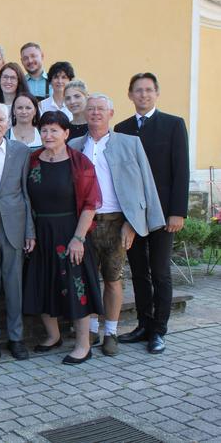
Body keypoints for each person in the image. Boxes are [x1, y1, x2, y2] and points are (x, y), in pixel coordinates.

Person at [68, 94, 165, 356]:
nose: (96, 113)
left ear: (111, 113)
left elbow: (145, 185)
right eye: (91, 109)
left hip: (116, 223)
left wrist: (132, 223)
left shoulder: (130, 143)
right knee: (87, 280)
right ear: (85, 114)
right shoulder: (75, 146)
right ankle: (90, 328)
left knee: (113, 279)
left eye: (101, 109)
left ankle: (110, 332)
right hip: (85, 223)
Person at [114, 73, 190, 354]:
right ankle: (143, 324)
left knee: (160, 272)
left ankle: (159, 330)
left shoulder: (173, 125)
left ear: (157, 93)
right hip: (134, 214)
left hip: (162, 213)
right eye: (138, 90)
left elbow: (181, 170)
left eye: (148, 90)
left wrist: (177, 212)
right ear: (130, 95)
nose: (143, 95)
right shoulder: (121, 129)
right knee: (138, 272)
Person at [23, 111, 103, 365]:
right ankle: (53, 336)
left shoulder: (79, 163)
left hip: (70, 232)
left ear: (66, 134)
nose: (48, 135)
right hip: (40, 233)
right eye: (44, 130)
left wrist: (78, 238)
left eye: (54, 130)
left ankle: (83, 345)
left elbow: (90, 204)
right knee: (42, 283)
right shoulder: (33, 159)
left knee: (76, 289)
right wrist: (30, 231)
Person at [0, 103, 34, 361]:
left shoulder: (21, 151)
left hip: (14, 225)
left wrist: (29, 231)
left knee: (14, 285)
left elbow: (26, 192)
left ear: (8, 123)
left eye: (1, 119)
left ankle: (16, 337)